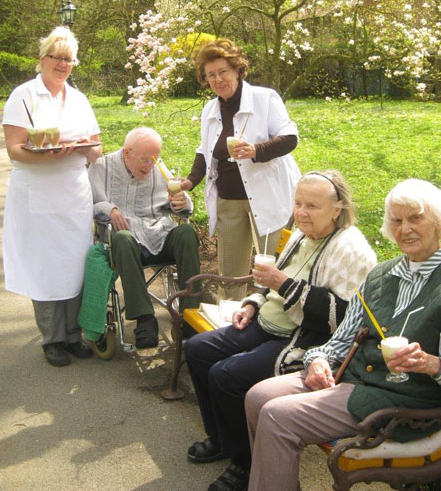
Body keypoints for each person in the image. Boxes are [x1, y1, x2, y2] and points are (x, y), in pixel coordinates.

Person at [185, 170, 377, 491]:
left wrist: (283, 284)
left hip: (300, 341)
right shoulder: (303, 234)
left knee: (226, 376)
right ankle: (222, 438)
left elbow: (342, 319)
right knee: (197, 349)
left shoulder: (351, 251)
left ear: (337, 209)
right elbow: (273, 282)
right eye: (298, 203)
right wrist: (252, 303)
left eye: (312, 206)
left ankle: (245, 463)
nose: (301, 212)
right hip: (264, 322)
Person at [245, 178, 441, 491]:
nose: (405, 229)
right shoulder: (382, 275)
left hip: (404, 403)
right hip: (352, 379)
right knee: (258, 396)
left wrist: (431, 364)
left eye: (416, 218)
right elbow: (342, 337)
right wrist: (318, 359)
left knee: (277, 416)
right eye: (397, 220)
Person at [2, 26, 102, 367]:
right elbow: (15, 150)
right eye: (56, 57)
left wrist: (83, 149)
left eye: (68, 59)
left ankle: (74, 334)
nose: (62, 64)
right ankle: (52, 338)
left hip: (73, 192)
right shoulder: (23, 96)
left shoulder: (78, 98)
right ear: (42, 59)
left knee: (75, 263)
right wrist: (46, 155)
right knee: (44, 265)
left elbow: (97, 148)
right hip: (37, 192)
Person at [181, 38, 301, 300]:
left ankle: (271, 324)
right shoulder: (210, 110)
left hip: (268, 198)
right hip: (229, 201)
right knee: (230, 274)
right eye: (210, 75)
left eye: (223, 71)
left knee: (273, 268)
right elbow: (205, 150)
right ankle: (231, 325)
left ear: (237, 69)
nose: (218, 79)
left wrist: (257, 150)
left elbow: (290, 138)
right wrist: (190, 181)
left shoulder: (265, 98)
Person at [88, 127, 201, 349]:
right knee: (122, 238)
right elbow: (90, 202)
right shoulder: (101, 167)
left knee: (186, 232)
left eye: (155, 159)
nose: (151, 166)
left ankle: (190, 315)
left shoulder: (157, 168)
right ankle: (145, 319)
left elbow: (180, 206)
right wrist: (110, 209)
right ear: (127, 152)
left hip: (158, 233)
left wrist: (183, 202)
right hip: (126, 242)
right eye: (145, 160)